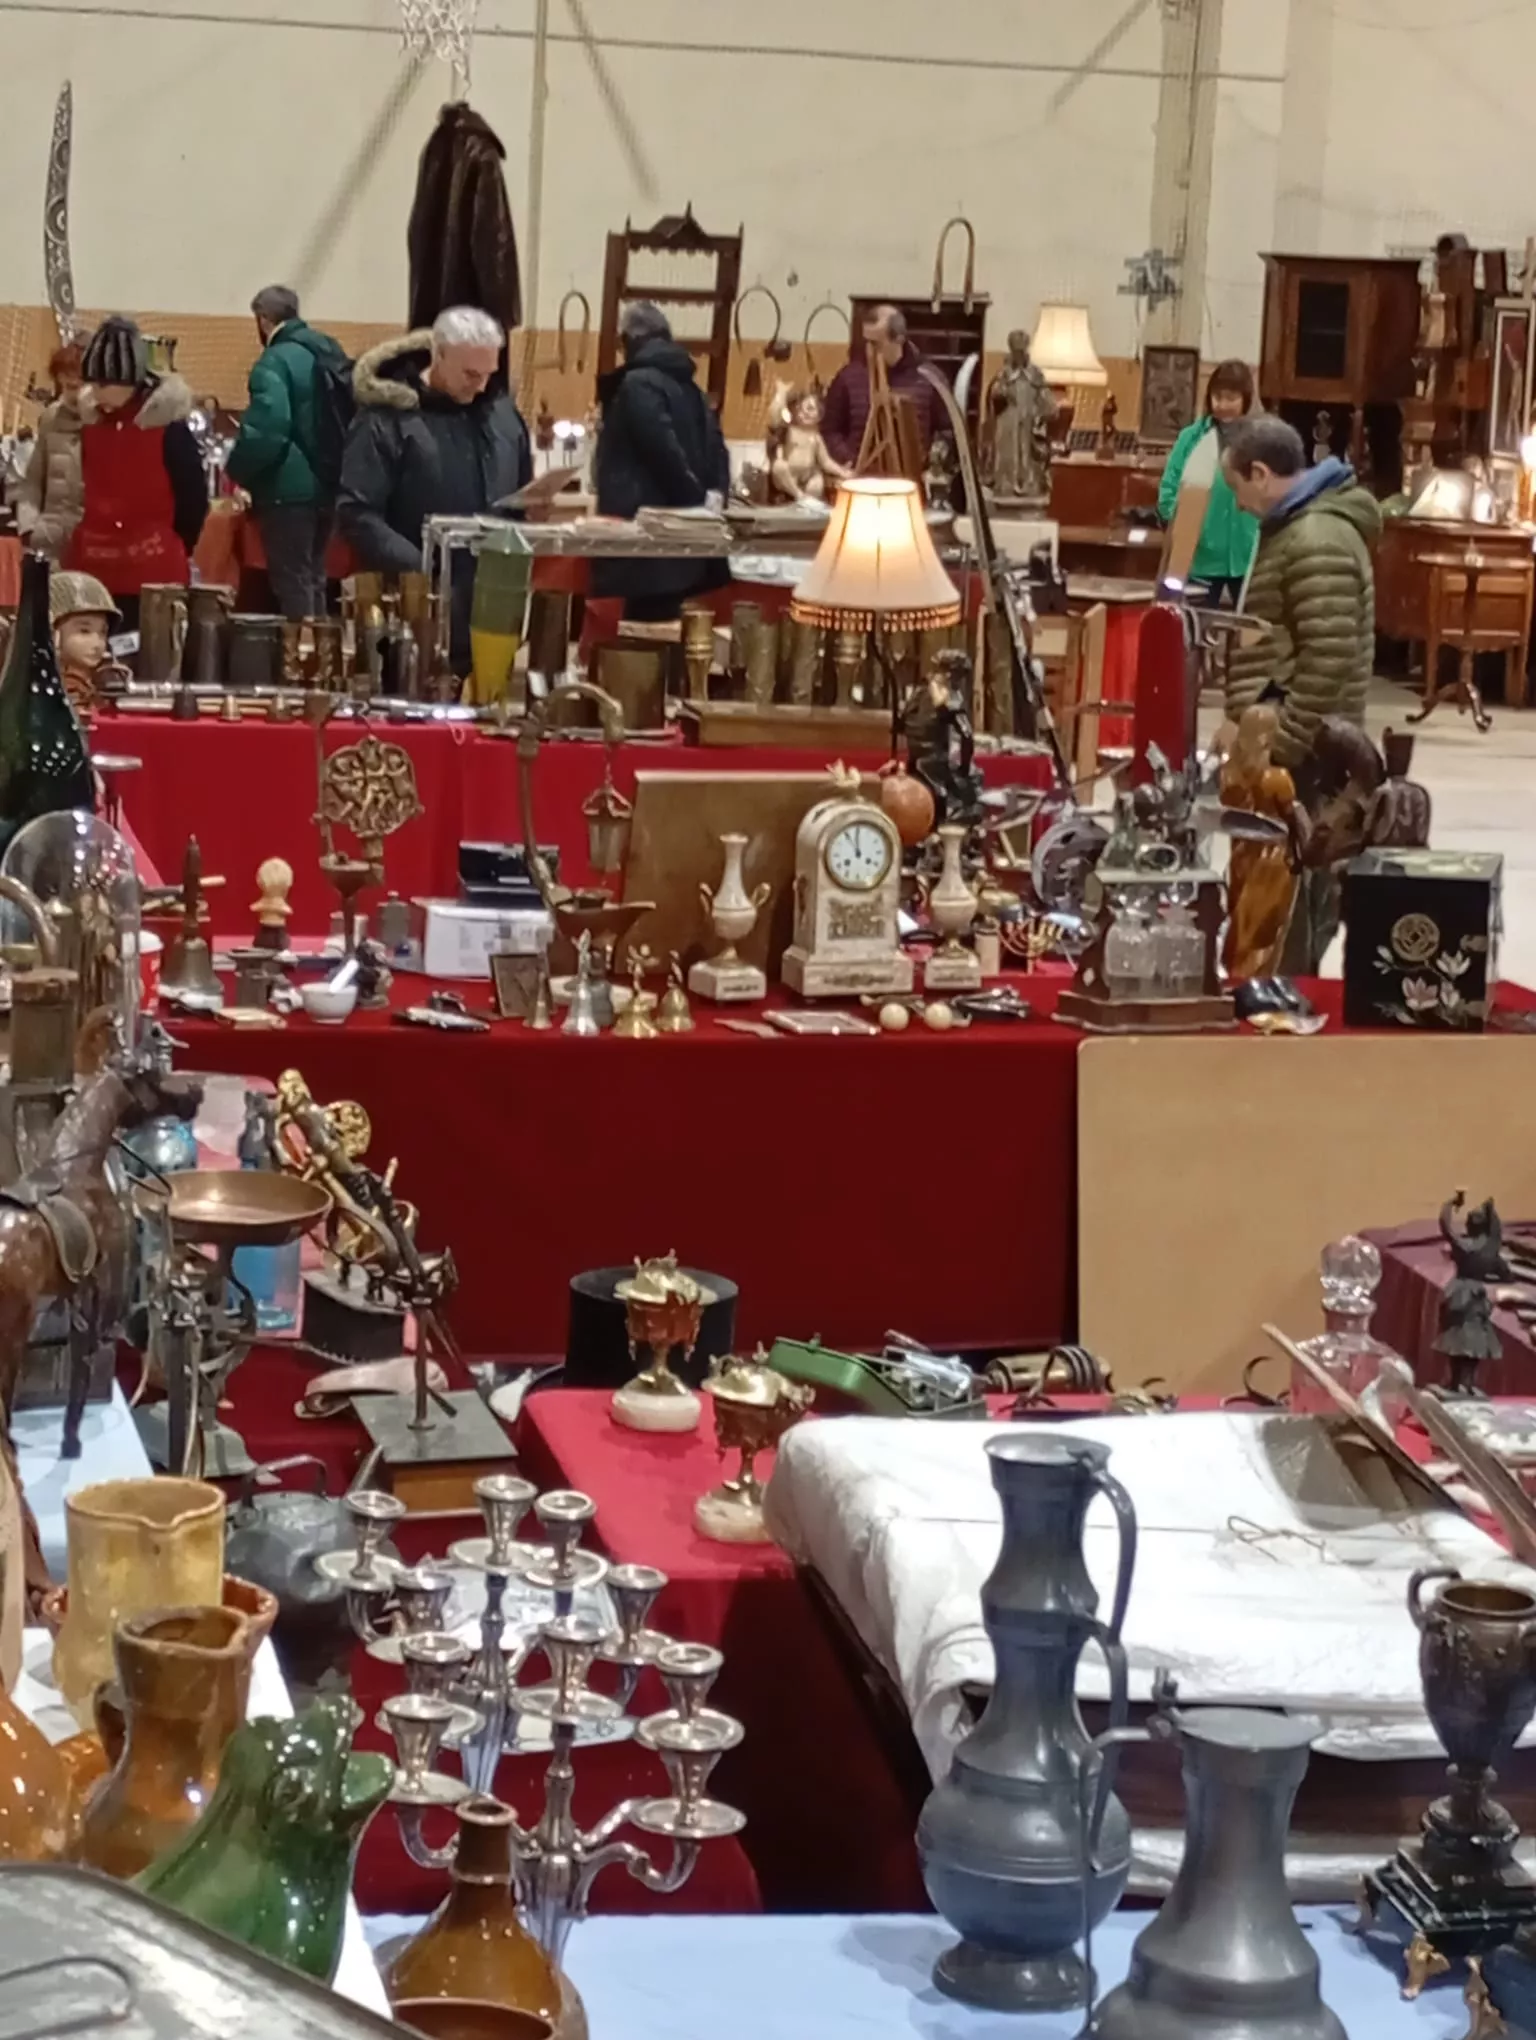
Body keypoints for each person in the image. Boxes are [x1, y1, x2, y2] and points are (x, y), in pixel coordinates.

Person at [1222, 412, 1381, 971]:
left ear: (1260, 473)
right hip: (1292, 753)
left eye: (1237, 488)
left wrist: (1282, 745)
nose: (1239, 504)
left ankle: (1287, 1023)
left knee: (1291, 904)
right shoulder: (1299, 529)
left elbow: (1328, 656)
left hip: (1310, 759)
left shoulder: (1317, 538)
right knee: (1269, 898)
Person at [337, 306, 531, 666]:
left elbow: (521, 493)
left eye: (489, 373)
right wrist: (422, 573)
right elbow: (357, 511)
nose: (482, 385)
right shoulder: (388, 417)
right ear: (438, 354)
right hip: (411, 608)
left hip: (492, 603)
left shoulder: (502, 414)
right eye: (471, 374)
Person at [590, 302, 730, 621]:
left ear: (629, 341)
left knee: (637, 649)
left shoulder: (637, 384)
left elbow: (662, 452)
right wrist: (710, 506)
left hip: (646, 545)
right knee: (667, 643)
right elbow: (718, 451)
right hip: (685, 548)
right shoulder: (691, 388)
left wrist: (692, 504)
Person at [66, 317, 207, 634]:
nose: (93, 392)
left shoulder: (168, 427)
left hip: (152, 576)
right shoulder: (91, 425)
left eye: (102, 383)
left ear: (129, 380)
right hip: (92, 573)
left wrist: (174, 544)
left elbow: (193, 498)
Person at [225, 285, 349, 621]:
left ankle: (303, 663)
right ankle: (323, 661)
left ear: (263, 320)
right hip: (331, 479)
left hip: (287, 489)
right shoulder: (329, 350)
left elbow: (269, 427)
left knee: (292, 583)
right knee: (315, 579)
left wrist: (237, 469)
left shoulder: (273, 361)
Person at [1156, 359, 1259, 605]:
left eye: (1231, 398)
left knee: (1252, 634)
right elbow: (1169, 489)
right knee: (1191, 630)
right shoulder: (1191, 438)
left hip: (1247, 556)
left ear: (1246, 399)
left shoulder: (1261, 438)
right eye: (1218, 397)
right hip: (1200, 557)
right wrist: (1184, 529)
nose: (1223, 405)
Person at [821, 305, 942, 469]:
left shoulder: (929, 378)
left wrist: (933, 459)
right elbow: (830, 430)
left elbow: (944, 431)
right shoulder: (847, 378)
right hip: (861, 478)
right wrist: (849, 459)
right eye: (866, 342)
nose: (869, 350)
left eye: (875, 343)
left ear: (899, 338)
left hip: (910, 480)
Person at [16, 341, 89, 562]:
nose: (73, 395)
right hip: (49, 544)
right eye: (67, 387)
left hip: (93, 546)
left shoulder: (108, 425)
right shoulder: (50, 418)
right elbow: (32, 481)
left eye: (78, 385)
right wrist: (29, 529)